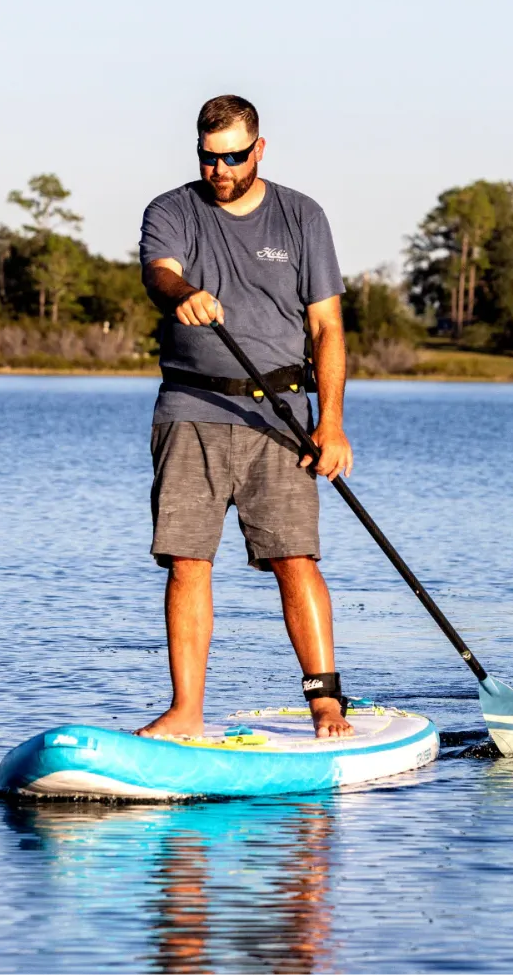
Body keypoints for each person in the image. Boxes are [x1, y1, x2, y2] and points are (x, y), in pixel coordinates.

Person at [137, 94, 354, 738]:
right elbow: (160, 272)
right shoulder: (172, 209)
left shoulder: (301, 216)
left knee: (295, 557)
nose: (221, 170)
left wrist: (332, 424)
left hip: (280, 413)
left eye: (234, 156)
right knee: (187, 559)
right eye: (210, 158)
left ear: (259, 148)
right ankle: (186, 711)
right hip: (190, 406)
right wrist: (183, 294)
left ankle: (325, 702)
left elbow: (327, 328)